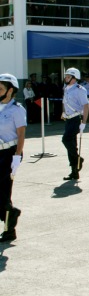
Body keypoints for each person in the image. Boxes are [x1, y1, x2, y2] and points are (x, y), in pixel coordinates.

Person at [0, 73, 26, 242]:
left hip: (10, 153)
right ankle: (11, 213)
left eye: (0, 88)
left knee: (3, 191)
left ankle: (9, 230)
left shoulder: (17, 109)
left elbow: (21, 134)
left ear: (10, 90)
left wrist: (17, 155)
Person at [61, 68, 89, 181]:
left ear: (74, 78)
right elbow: (65, 102)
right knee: (72, 145)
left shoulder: (80, 90)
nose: (66, 78)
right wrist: (63, 112)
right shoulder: (66, 88)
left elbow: (85, 106)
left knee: (66, 140)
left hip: (76, 118)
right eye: (66, 76)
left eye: (68, 76)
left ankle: (79, 159)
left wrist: (84, 122)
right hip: (68, 119)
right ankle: (74, 171)